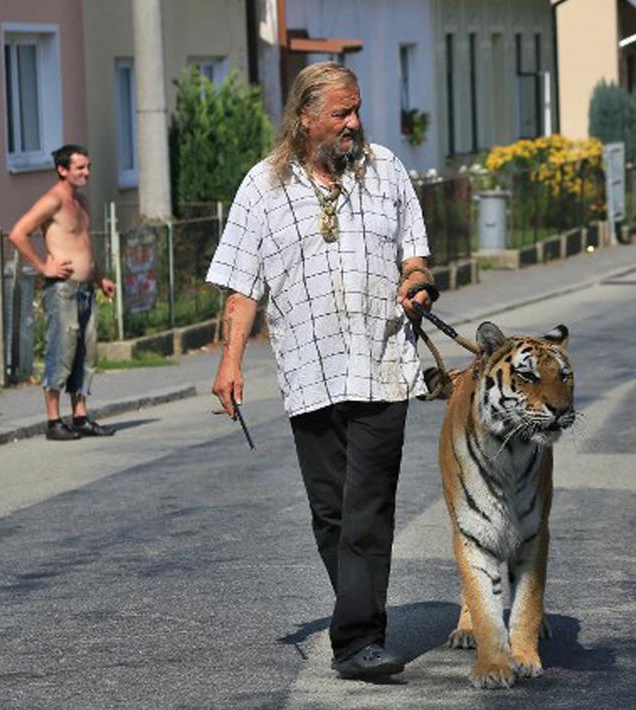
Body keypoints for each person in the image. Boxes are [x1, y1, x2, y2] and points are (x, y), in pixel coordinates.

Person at [207, 62, 434, 679]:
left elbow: (414, 254)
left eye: (356, 109)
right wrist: (230, 362)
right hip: (308, 371)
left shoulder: (385, 170)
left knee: (367, 506)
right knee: (331, 510)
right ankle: (357, 616)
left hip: (382, 362)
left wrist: (416, 284)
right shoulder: (262, 188)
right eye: (341, 113)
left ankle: (358, 638)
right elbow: (240, 287)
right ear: (305, 118)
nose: (353, 123)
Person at [8, 144, 116, 441]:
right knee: (61, 352)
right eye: (80, 168)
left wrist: (99, 278)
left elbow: (82, 246)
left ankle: (80, 416)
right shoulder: (52, 201)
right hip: (63, 291)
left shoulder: (80, 202)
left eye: (88, 167)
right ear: (62, 169)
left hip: (85, 290)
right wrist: (43, 266)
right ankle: (54, 421)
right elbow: (18, 233)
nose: (87, 173)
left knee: (85, 353)